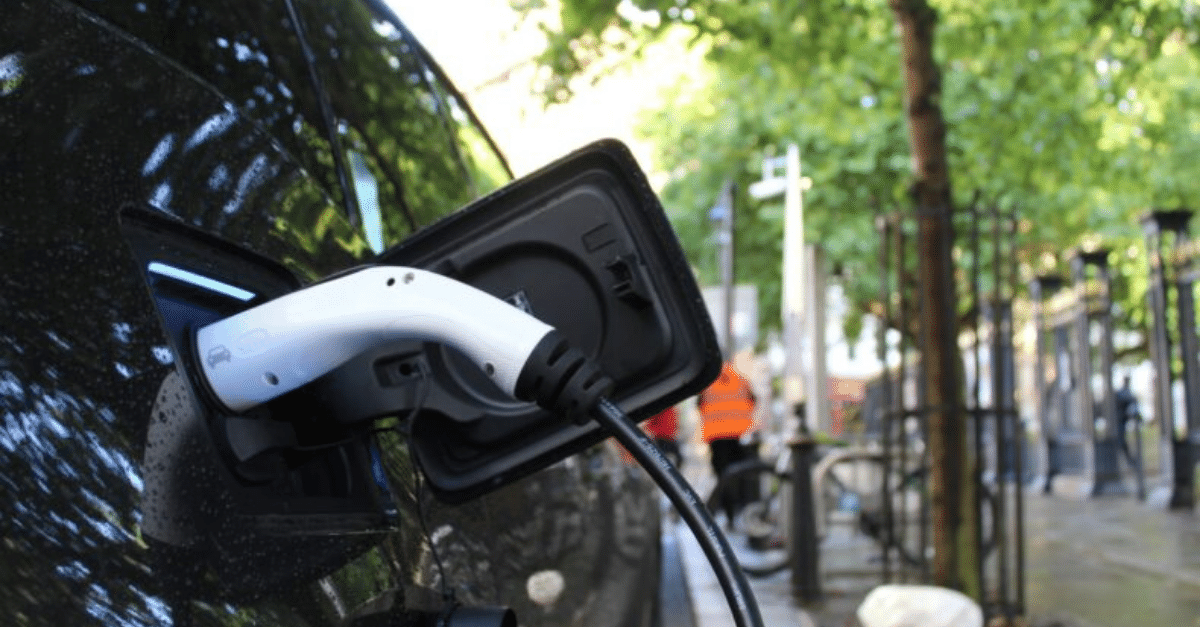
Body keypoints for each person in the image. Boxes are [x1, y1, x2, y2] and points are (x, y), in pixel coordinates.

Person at [697, 361, 757, 526]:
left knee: (723, 476)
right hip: (737, 436)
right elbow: (753, 400)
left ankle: (730, 514)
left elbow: (700, 405)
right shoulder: (739, 378)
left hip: (716, 437)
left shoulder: (708, 380)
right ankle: (739, 513)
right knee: (738, 475)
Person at [1114, 375, 1142, 471]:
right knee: (1120, 442)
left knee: (1121, 442)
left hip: (1121, 420)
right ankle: (1129, 462)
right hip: (1119, 420)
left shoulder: (1126, 392)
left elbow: (1132, 402)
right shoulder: (1123, 392)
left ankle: (1130, 462)